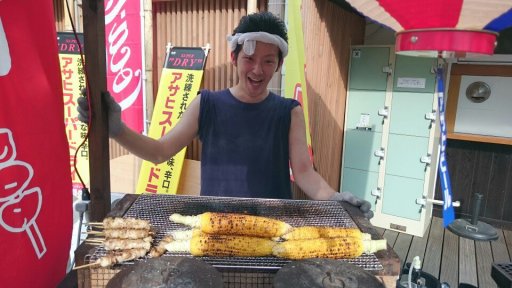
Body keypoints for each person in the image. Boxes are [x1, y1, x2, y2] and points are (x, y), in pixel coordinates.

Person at [78, 11, 373, 219]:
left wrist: (336, 198)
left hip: (273, 231)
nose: (258, 70)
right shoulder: (206, 104)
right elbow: (159, 152)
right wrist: (116, 130)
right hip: (215, 229)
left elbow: (306, 174)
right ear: (234, 57)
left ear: (278, 65)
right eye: (249, 59)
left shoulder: (289, 112)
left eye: (268, 62)